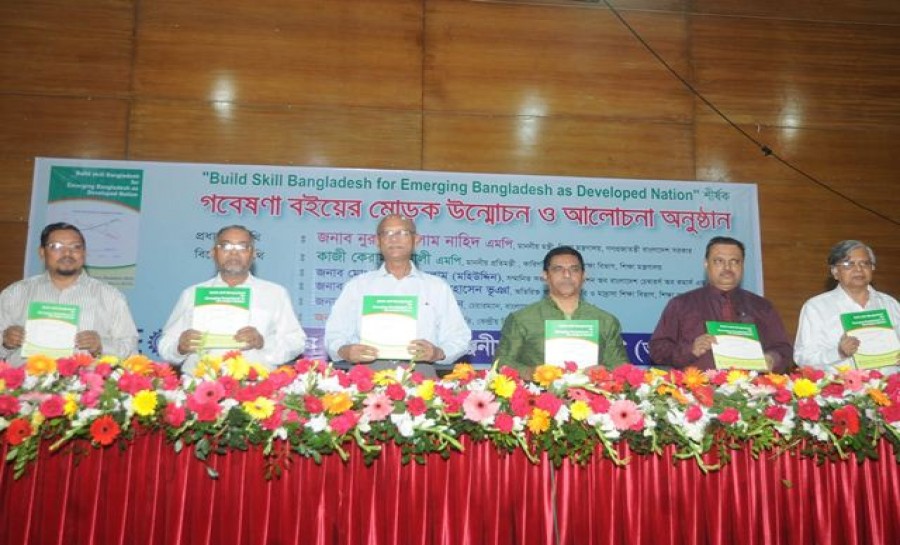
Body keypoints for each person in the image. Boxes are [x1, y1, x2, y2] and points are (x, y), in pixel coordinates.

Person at [324, 214, 471, 377]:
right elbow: (334, 334)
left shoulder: (437, 287)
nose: (394, 239)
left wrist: (438, 353)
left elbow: (459, 337)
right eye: (387, 233)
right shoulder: (357, 286)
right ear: (377, 242)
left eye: (402, 233)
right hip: (364, 377)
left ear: (416, 240)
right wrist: (344, 351)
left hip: (421, 376)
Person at [158, 225, 306, 372]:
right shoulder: (192, 294)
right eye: (225, 246)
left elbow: (296, 342)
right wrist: (179, 347)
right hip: (199, 387)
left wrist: (263, 343)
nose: (234, 253)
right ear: (213, 252)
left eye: (243, 247)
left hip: (256, 388)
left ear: (254, 254)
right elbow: (165, 345)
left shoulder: (275, 294)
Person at [0, 222, 138, 365]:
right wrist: (5, 342)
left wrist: (101, 345)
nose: (67, 253)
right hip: (24, 384)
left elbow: (131, 351)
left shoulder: (110, 297)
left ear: (84, 253)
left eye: (76, 247)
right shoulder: (15, 293)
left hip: (87, 385)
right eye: (57, 247)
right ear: (42, 252)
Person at [649, 236, 792, 372]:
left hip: (751, 392)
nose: (727, 268)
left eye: (734, 261)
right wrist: (690, 350)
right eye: (719, 261)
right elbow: (658, 350)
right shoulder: (681, 304)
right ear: (706, 264)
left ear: (743, 265)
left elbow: (784, 350)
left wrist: (772, 359)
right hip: (695, 392)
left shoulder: (762, 307)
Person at [495, 245, 629, 378]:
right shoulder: (522, 319)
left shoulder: (605, 320)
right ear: (545, 276)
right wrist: (533, 373)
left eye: (574, 269)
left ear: (584, 276)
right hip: (537, 396)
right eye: (558, 269)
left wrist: (604, 371)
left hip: (593, 396)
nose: (567, 275)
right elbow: (502, 363)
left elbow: (621, 366)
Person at [794, 240, 900, 372]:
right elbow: (803, 358)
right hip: (842, 390)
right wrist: (838, 352)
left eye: (865, 263)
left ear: (872, 268)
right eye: (849, 264)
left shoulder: (890, 304)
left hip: (890, 388)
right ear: (835, 272)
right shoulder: (816, 307)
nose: (859, 269)